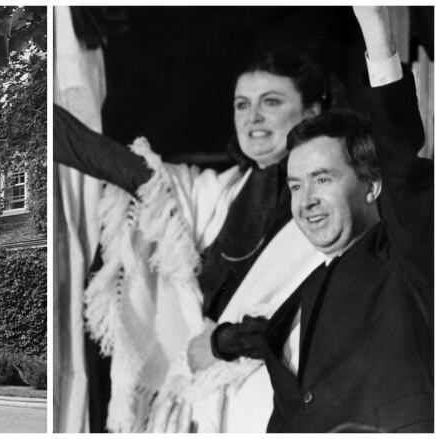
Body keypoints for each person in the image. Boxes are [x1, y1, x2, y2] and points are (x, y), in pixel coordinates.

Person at [54, 42, 335, 432]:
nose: (253, 117)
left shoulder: (333, 204)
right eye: (242, 104)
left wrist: (224, 343)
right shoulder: (214, 194)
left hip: (272, 407)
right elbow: (117, 165)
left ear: (312, 112)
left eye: (271, 102)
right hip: (196, 400)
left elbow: (327, 319)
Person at [219, 6, 432, 432]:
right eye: (296, 185)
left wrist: (376, 31)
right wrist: (220, 342)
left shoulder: (408, 257)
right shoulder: (311, 285)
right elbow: (268, 341)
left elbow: (403, 168)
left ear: (373, 186)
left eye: (322, 179)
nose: (306, 201)